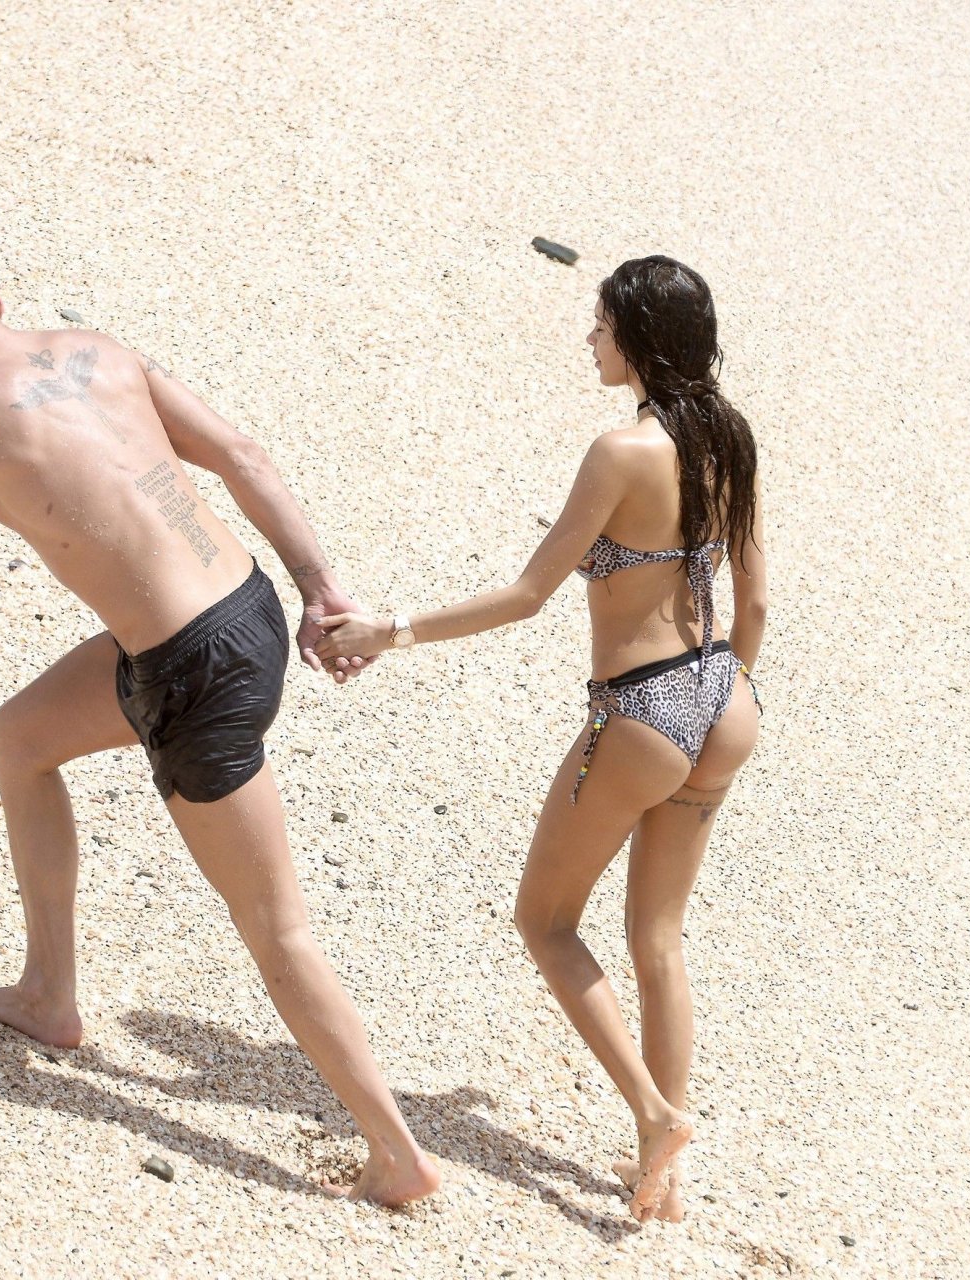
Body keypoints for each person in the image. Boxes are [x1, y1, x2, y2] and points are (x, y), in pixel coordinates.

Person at [0, 235, 439, 1206]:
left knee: (277, 928)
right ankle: (47, 994)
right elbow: (243, 455)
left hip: (193, 675)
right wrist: (320, 588)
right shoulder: (99, 351)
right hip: (248, 611)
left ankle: (397, 1153)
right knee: (21, 738)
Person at [314, 256, 765, 1222]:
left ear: (637, 335)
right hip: (725, 701)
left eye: (601, 323)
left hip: (641, 707)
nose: (589, 338)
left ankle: (656, 1116)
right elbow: (754, 603)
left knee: (546, 922)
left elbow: (527, 596)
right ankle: (661, 1176)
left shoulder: (621, 451)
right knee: (658, 936)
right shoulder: (730, 441)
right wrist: (723, 690)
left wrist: (389, 632)